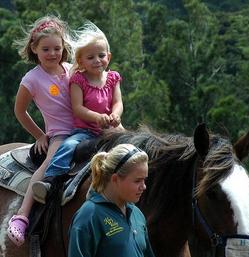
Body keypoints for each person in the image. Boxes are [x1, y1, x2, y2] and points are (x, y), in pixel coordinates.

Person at [32, 21, 123, 204]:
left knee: (130, 145)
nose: (97, 60)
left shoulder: (113, 78)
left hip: (111, 127)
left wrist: (115, 114)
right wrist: (98, 117)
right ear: (80, 61)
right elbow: (78, 108)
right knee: (68, 146)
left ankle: (135, 177)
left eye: (101, 55)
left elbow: (118, 102)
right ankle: (52, 179)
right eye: (90, 57)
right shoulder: (78, 80)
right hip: (85, 130)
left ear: (109, 56)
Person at [7, 15, 74, 246]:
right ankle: (22, 216)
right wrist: (39, 135)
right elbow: (19, 111)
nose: (53, 53)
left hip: (86, 127)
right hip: (61, 133)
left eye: (57, 48)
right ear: (34, 48)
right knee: (49, 164)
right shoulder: (31, 79)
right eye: (46, 49)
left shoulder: (71, 69)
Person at [68, 144, 156, 257]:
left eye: (144, 180)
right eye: (138, 181)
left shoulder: (137, 214)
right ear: (115, 179)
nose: (144, 187)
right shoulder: (88, 216)